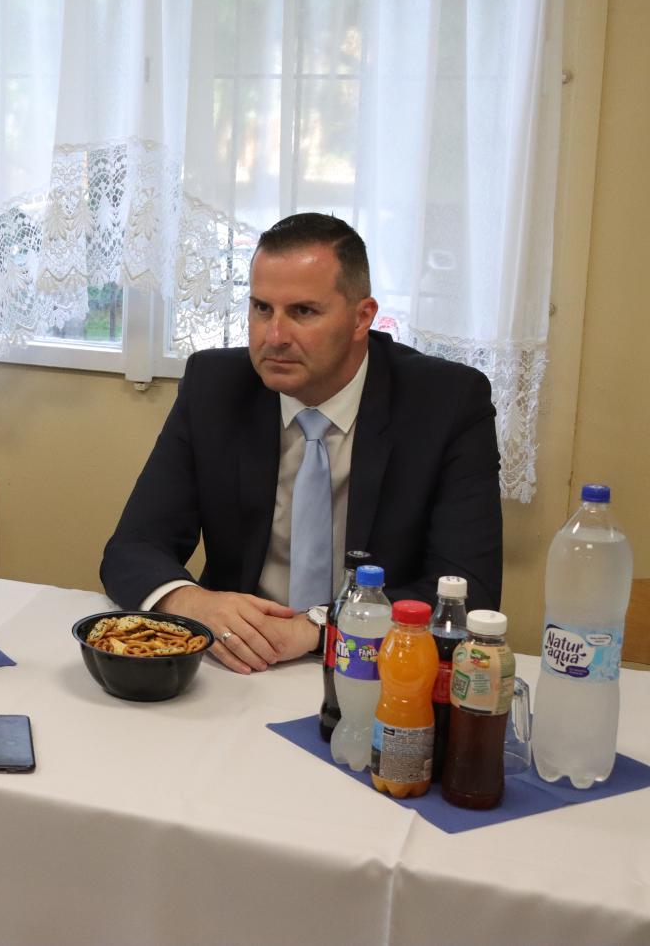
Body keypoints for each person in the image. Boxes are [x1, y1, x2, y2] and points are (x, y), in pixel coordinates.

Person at [101, 213, 501, 676]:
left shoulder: (445, 402)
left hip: (378, 669)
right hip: (240, 663)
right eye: (261, 308)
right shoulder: (215, 386)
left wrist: (319, 627)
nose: (274, 337)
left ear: (362, 317)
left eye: (303, 312)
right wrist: (191, 601)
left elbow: (467, 592)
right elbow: (132, 548)